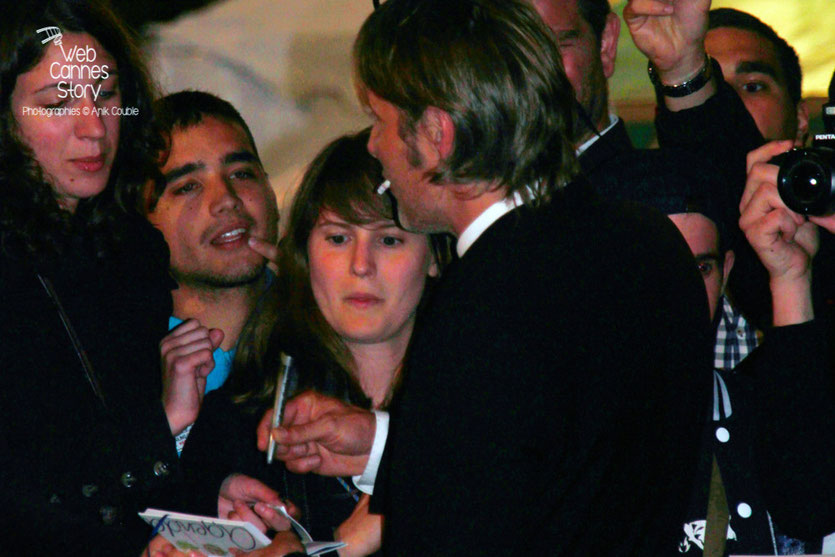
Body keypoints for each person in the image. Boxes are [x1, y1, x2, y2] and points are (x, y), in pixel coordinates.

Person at [265, 0, 713, 554]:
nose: (374, 147)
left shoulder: (480, 304)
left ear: (437, 135)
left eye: (379, 121)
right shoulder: (648, 240)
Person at [178, 129, 444, 557]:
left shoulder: (478, 398)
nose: (361, 266)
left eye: (389, 240)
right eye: (337, 238)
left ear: (433, 256)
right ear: (303, 252)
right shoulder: (245, 414)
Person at [0, 0, 185, 553]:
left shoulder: (130, 249)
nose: (94, 127)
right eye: (58, 103)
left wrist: (213, 490)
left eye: (106, 94)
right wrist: (164, 425)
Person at [141, 91, 280, 449]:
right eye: (188, 186)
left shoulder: (332, 330)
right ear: (141, 221)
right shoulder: (110, 361)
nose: (226, 200)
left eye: (242, 173)